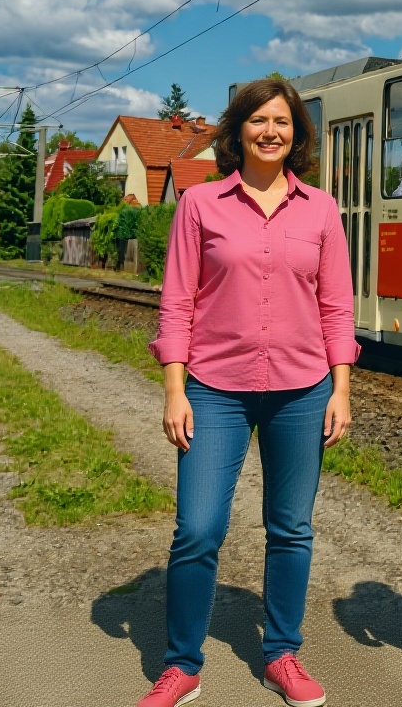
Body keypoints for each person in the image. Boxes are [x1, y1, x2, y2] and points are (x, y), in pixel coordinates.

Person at [141, 78, 356, 707]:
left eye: (283, 122)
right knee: (198, 529)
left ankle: (281, 655)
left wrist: (340, 390)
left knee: (291, 528)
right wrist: (174, 389)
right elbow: (177, 301)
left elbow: (336, 305)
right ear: (238, 133)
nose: (271, 132)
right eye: (259, 121)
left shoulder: (320, 208)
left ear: (297, 135)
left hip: (303, 389)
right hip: (214, 389)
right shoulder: (201, 204)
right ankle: (182, 664)